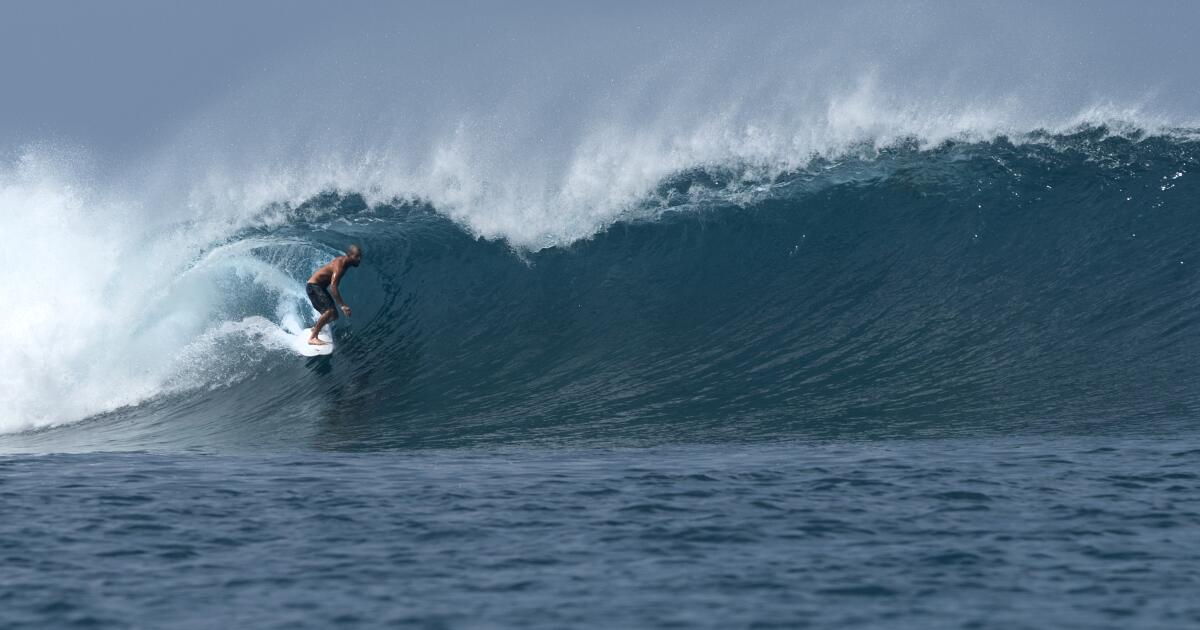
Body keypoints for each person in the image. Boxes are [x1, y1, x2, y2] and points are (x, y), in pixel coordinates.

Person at [305, 244, 362, 345]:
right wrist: (343, 306)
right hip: (313, 286)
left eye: (360, 256)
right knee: (329, 311)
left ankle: (316, 327)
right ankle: (313, 337)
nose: (359, 259)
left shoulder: (345, 264)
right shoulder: (340, 265)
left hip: (319, 288)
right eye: (356, 256)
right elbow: (333, 287)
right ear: (349, 255)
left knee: (334, 316)